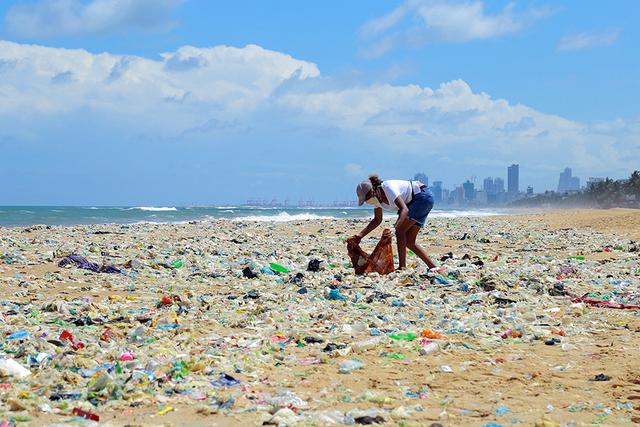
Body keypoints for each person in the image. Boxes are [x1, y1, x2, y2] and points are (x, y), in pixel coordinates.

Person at [352, 175, 436, 270]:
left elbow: (404, 209)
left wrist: (395, 227)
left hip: (422, 196)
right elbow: (377, 220)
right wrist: (360, 236)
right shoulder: (376, 200)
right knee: (409, 241)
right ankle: (432, 266)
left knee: (400, 231)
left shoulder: (388, 188)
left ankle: (402, 267)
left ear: (373, 190)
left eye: (367, 198)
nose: (367, 201)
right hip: (414, 202)